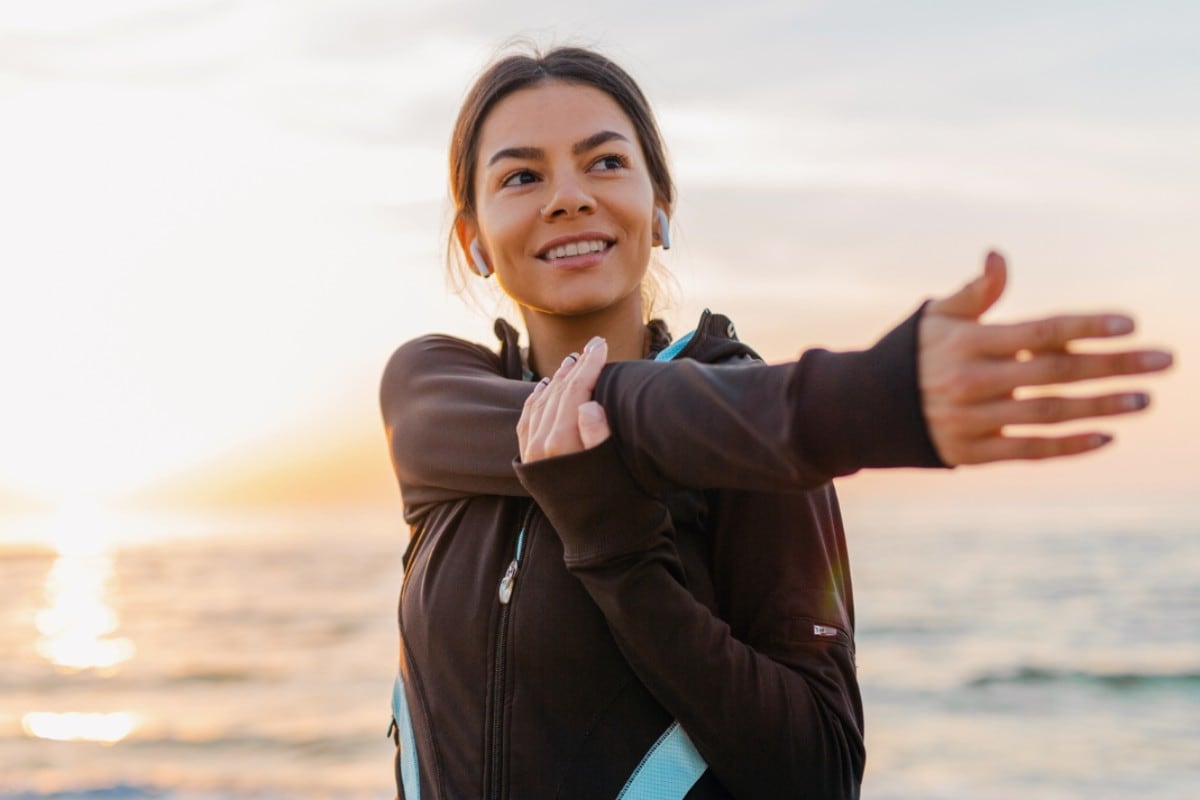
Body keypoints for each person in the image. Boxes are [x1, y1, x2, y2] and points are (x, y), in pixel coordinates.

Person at [379, 46, 1171, 799]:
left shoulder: (748, 433)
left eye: (606, 162)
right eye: (521, 175)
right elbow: (629, 413)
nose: (568, 196)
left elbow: (820, 776)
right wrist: (865, 401)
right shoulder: (434, 393)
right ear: (473, 239)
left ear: (658, 208)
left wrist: (620, 553)